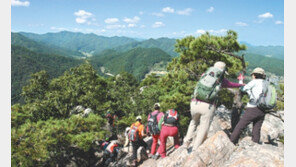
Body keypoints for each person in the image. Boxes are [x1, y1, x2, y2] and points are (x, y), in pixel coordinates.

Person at [183, 61, 244, 151]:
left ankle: (186, 143)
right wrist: (241, 84)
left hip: (195, 103)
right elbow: (232, 84)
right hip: (208, 106)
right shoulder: (221, 79)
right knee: (203, 128)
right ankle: (195, 149)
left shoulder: (205, 74)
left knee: (193, 122)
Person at [230, 67, 267, 144]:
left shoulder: (255, 82)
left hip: (253, 109)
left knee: (240, 126)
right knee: (256, 129)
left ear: (255, 75)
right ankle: (255, 145)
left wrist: (240, 80)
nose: (252, 76)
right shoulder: (266, 83)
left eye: (252, 75)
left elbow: (243, 88)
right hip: (263, 110)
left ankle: (231, 142)